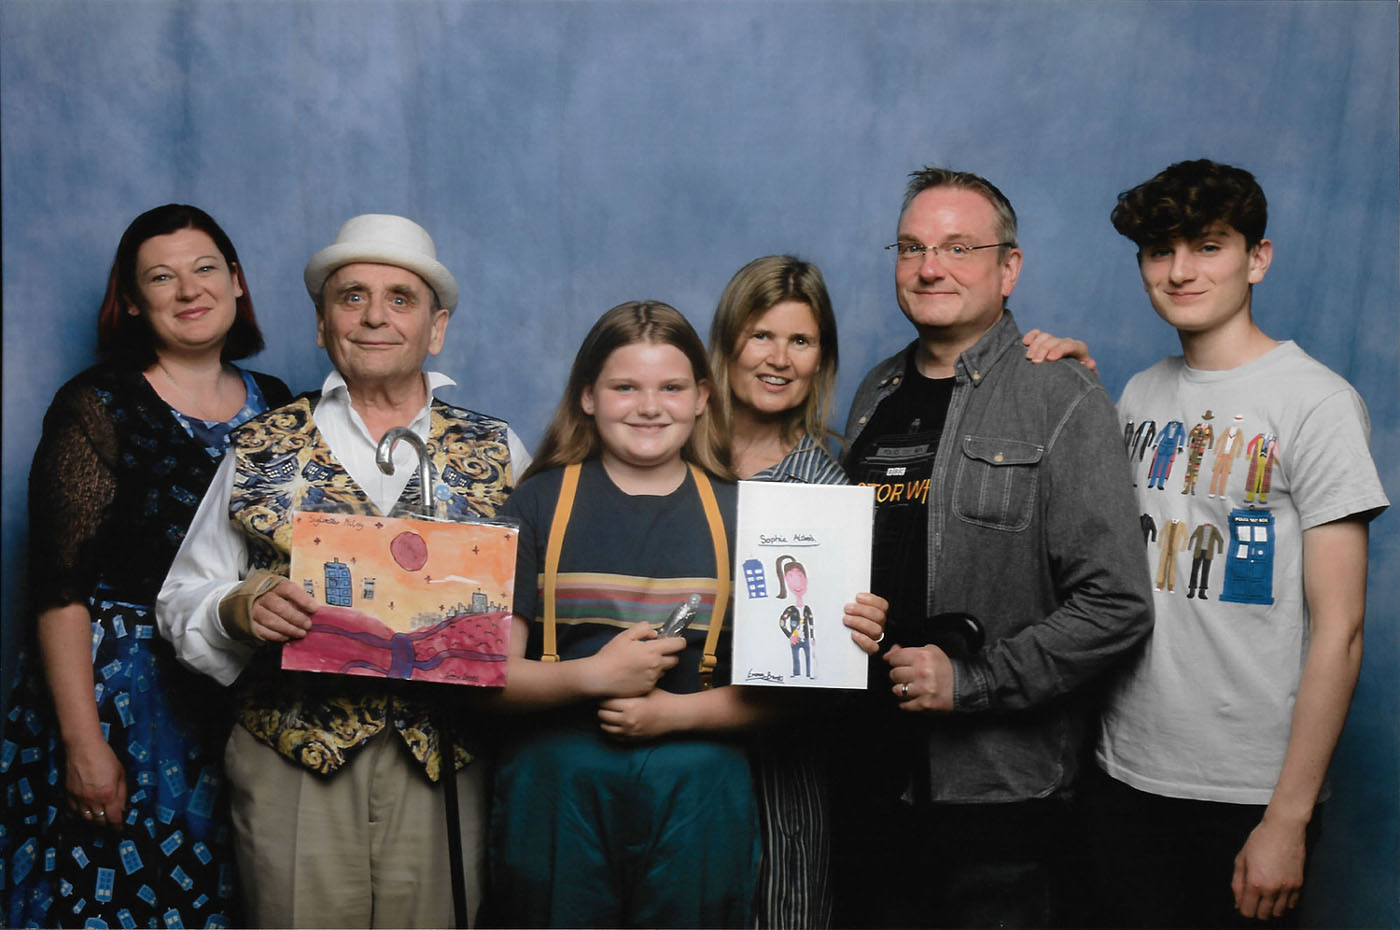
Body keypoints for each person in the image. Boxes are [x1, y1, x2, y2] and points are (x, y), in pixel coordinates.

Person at [156, 214, 529, 928]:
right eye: (351, 296)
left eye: (400, 298)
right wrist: (240, 608)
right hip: (295, 760)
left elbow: (535, 605)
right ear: (324, 324)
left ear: (436, 326)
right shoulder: (260, 446)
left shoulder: (499, 447)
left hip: (445, 760)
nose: (374, 317)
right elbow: (182, 599)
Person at [488, 301, 884, 929]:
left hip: (700, 791)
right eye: (625, 387)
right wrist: (592, 677)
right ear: (588, 396)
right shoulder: (538, 500)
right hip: (556, 787)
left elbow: (796, 693)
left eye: (671, 387)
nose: (650, 407)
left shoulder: (749, 514)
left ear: (702, 397)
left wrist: (669, 714)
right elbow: (486, 679)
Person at [839, 165, 1153, 928]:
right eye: (911, 248)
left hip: (996, 791)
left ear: (1008, 268)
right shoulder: (875, 393)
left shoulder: (1063, 396)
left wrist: (972, 682)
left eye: (957, 247)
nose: (929, 267)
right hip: (864, 774)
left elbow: (1117, 604)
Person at [1090, 159, 1388, 928]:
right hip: (1123, 771)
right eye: (1161, 251)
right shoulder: (1138, 393)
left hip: (1246, 792)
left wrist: (1287, 820)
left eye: (1208, 246)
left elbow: (1342, 632)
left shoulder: (1315, 402)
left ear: (1257, 257)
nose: (1180, 271)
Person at [0, 204, 291, 929]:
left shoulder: (283, 407)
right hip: (124, 704)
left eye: (205, 269)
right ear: (132, 301)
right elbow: (58, 589)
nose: (189, 290)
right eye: (161, 277)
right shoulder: (98, 407)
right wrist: (83, 743)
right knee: (114, 899)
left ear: (237, 283)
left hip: (242, 696)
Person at [706, 255, 887, 928]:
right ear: (727, 342)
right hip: (663, 757)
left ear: (821, 359)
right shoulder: (669, 458)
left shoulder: (825, 490)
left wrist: (859, 630)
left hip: (776, 771)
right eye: (761, 336)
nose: (778, 358)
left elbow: (818, 680)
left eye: (801, 341)